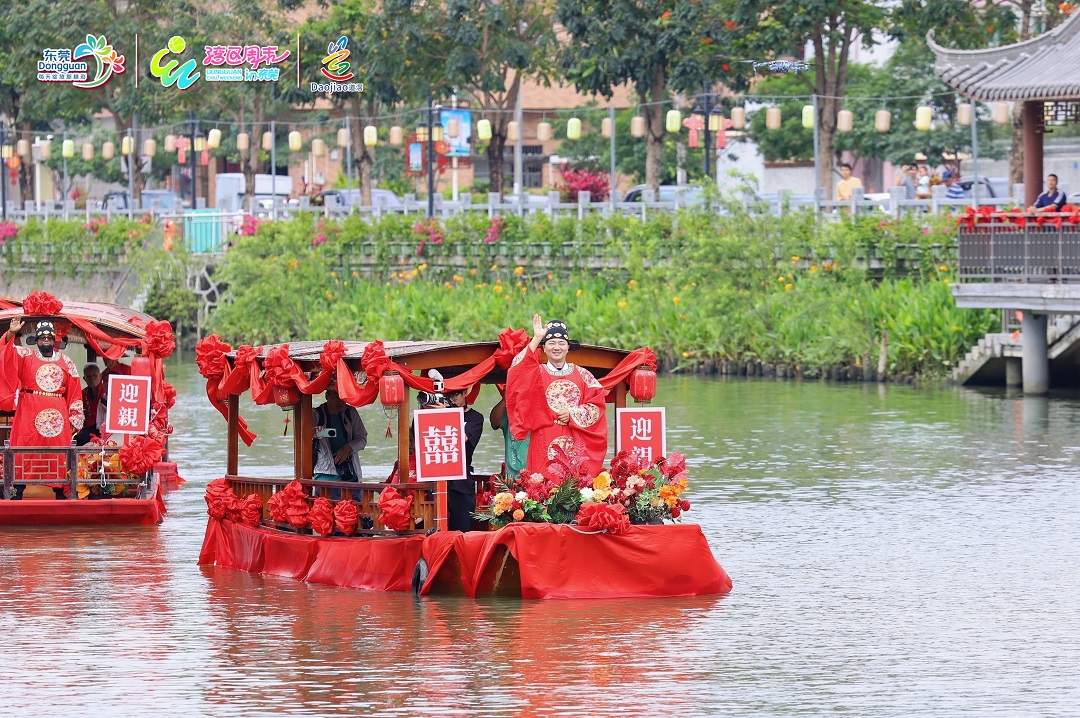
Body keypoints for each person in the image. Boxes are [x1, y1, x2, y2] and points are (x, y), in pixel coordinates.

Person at [506, 315, 608, 477]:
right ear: (544, 348)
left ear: (568, 347)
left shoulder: (583, 375)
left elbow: (597, 404)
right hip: (543, 436)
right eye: (551, 343)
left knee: (573, 483)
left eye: (561, 343)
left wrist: (573, 414)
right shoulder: (536, 373)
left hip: (573, 435)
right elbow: (517, 370)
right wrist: (536, 338)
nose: (556, 347)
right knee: (542, 485)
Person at [0, 318, 83, 494]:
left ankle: (60, 491)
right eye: (42, 337)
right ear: (36, 341)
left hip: (57, 414)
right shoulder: (26, 356)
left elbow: (75, 391)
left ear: (54, 340)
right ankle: (18, 490)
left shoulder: (66, 362)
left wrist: (74, 416)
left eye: (49, 337)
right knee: (24, 448)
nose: (46, 340)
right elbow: (6, 353)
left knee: (57, 451)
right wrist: (11, 333)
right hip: (29, 411)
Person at [415, 388, 483, 532]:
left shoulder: (475, 417)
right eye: (446, 395)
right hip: (435, 477)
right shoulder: (431, 414)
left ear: (465, 393)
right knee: (435, 529)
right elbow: (417, 436)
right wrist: (427, 411)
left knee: (462, 529)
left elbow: (461, 439)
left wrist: (445, 413)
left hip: (461, 480)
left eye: (454, 394)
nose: (451, 399)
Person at [312, 386, 367, 485]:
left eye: (343, 398)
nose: (340, 401)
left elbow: (362, 438)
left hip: (351, 473)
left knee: (355, 500)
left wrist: (348, 448)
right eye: (336, 397)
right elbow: (303, 435)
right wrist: (314, 432)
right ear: (327, 396)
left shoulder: (351, 412)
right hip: (325, 474)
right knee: (324, 501)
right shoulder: (316, 414)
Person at [490, 385, 529, 477]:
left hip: (535, 473)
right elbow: (494, 420)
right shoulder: (509, 413)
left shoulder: (539, 414)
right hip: (512, 474)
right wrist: (504, 400)